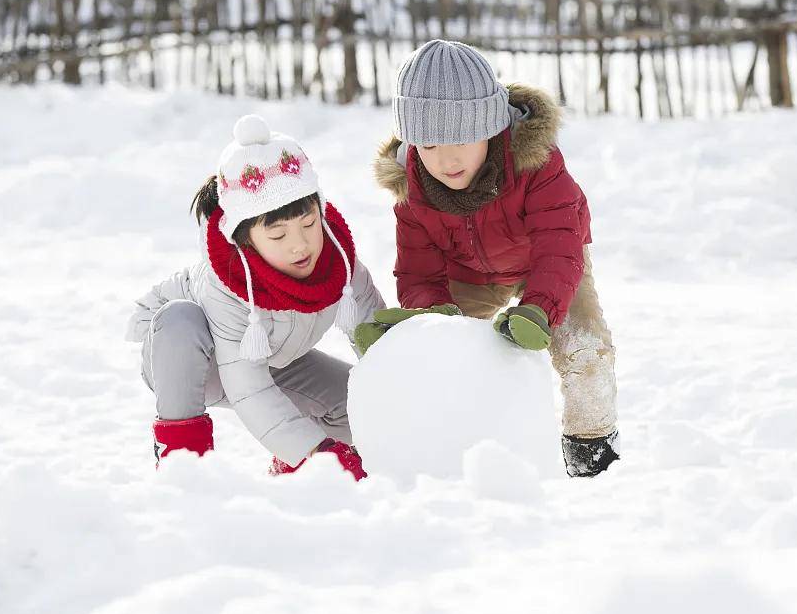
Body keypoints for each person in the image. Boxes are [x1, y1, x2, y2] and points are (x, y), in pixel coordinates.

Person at [360, 39, 619, 477]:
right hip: (471, 275)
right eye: (427, 144)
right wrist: (429, 320)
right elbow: (419, 268)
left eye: (461, 137)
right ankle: (459, 448)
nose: (446, 158)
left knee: (585, 347)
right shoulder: (413, 187)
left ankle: (590, 452)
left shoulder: (536, 163)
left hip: (548, 261)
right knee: (443, 353)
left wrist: (540, 309)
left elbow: (559, 245)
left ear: (492, 125)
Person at [126, 114, 384, 479]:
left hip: (276, 356)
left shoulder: (339, 263)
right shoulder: (226, 283)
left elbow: (376, 340)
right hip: (196, 361)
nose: (300, 245)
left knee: (361, 407)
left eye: (309, 224)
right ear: (244, 239)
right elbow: (251, 391)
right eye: (278, 236)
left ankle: (290, 471)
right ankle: (183, 466)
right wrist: (312, 452)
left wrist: (403, 394)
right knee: (180, 319)